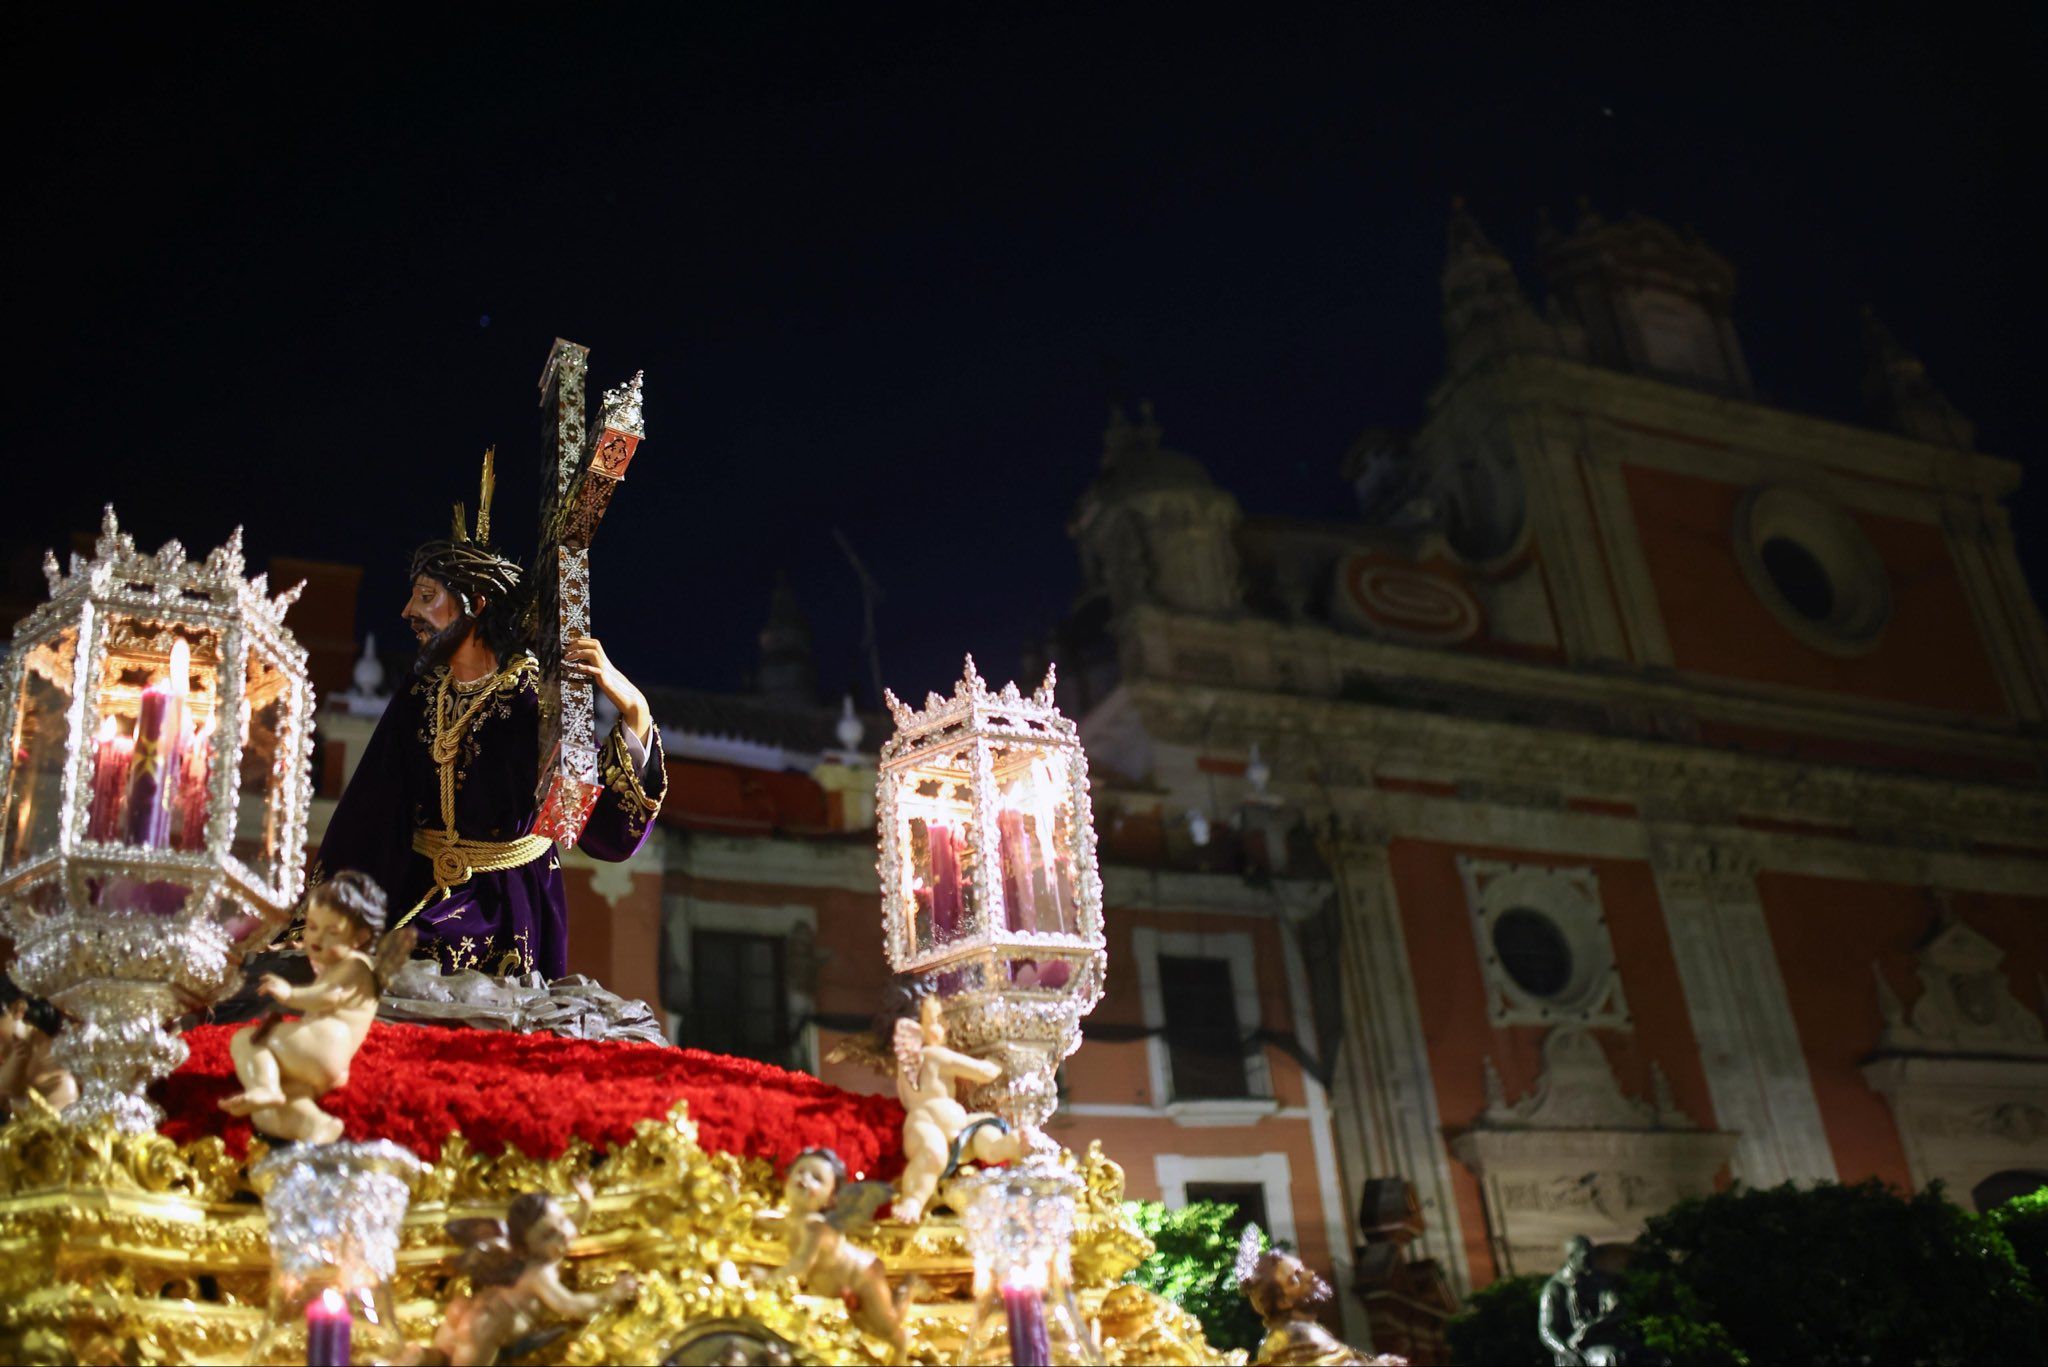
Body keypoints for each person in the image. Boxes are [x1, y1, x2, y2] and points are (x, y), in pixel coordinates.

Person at [316, 454, 666, 979]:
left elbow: (594, 828)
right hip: (415, 890)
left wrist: (635, 709)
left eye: (427, 597)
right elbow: (370, 811)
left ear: (475, 603)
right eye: (414, 596)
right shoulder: (419, 692)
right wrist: (328, 915)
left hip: (503, 911)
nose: (408, 612)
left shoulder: (534, 699)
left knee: (417, 973)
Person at [220, 871, 407, 1143]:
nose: (317, 939)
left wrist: (289, 993)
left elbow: (329, 997)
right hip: (321, 1054)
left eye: (332, 932)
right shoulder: (337, 965)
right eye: (312, 927)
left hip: (327, 1044)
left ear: (361, 937)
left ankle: (264, 1086)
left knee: (247, 1039)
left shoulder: (356, 965)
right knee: (270, 1112)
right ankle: (315, 1126)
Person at [1538, 1235, 1639, 1367]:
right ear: (1572, 1258)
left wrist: (1595, 1324)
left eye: (1592, 1256)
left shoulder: (1599, 1281)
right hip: (1578, 1349)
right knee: (1611, 1358)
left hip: (1606, 1338)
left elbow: (1617, 1307)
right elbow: (1546, 1331)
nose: (1591, 1262)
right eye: (1586, 1258)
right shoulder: (1555, 1288)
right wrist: (1567, 1352)